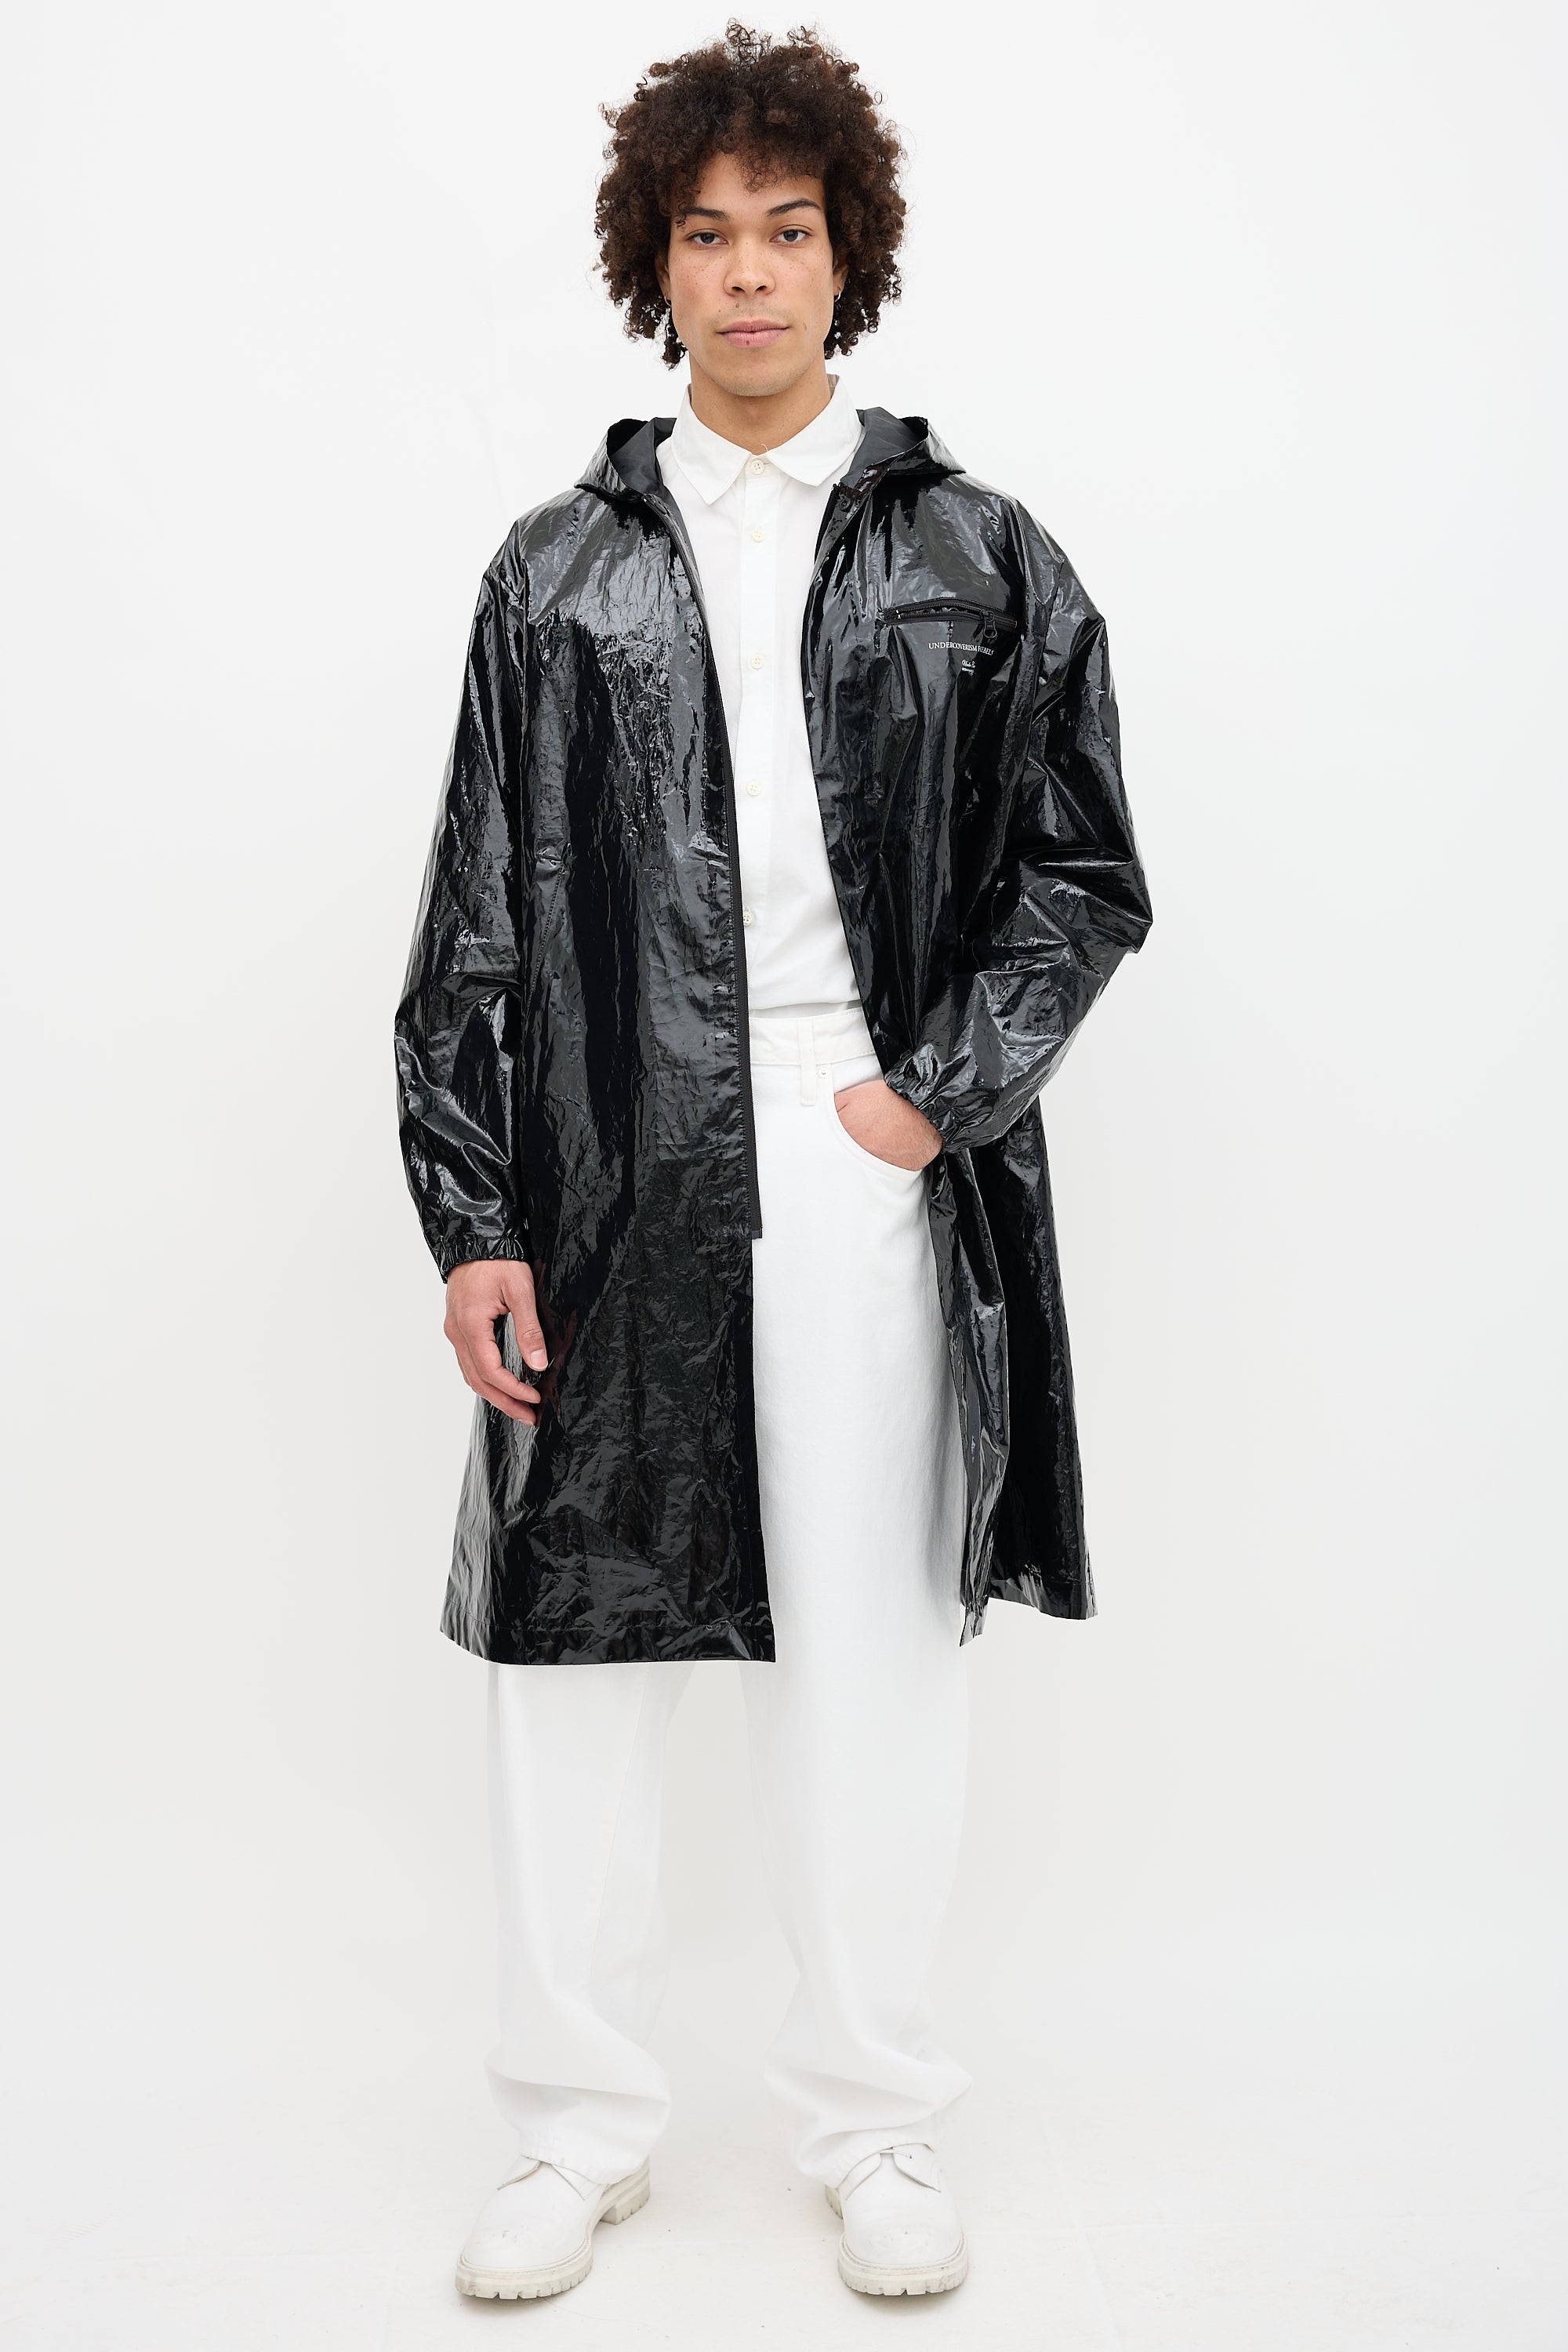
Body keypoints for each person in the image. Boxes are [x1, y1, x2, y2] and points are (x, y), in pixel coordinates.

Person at [394, 19, 1152, 2305]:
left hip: (863, 1147)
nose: (748, 274)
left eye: (788, 232)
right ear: (655, 262)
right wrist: (476, 1216)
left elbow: (1080, 873)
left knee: (871, 1651)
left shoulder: (976, 554)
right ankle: (575, 2131)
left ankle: (874, 2121)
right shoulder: (557, 575)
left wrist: (928, 1098)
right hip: (606, 1160)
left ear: (849, 258)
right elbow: (477, 915)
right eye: (707, 234)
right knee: (575, 1658)